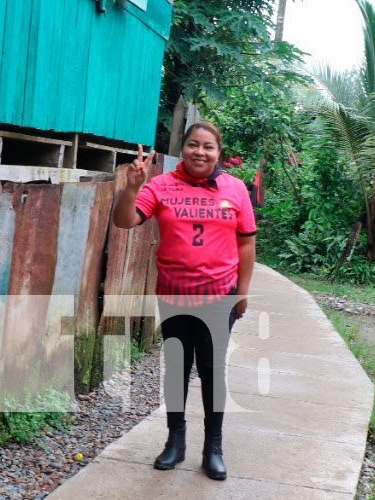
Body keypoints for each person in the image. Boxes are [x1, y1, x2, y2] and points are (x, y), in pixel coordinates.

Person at [112, 122, 256, 480]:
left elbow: (246, 244)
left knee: (211, 371)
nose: (200, 152)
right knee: (176, 368)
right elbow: (124, 220)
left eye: (208, 147)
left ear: (218, 153)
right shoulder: (160, 186)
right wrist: (131, 188)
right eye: (193, 144)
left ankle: (214, 449)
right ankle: (175, 443)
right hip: (174, 293)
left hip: (219, 296)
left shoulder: (236, 190)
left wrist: (242, 292)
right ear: (183, 148)